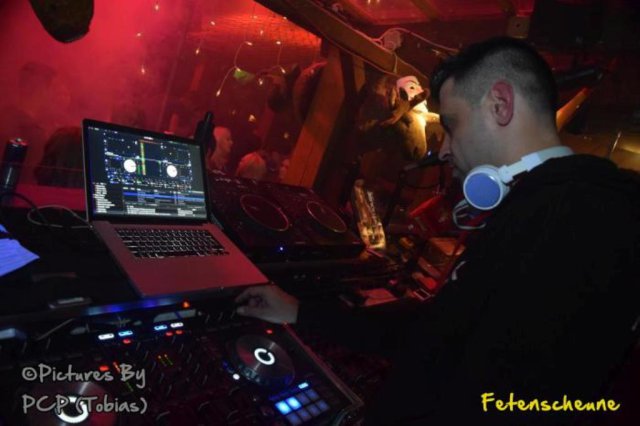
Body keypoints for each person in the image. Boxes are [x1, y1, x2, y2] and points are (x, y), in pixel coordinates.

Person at [234, 37, 640, 425]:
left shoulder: (581, 218)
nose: (444, 149)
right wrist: (299, 311)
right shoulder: (544, 206)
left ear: (500, 104)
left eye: (452, 124)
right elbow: (437, 330)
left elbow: (511, 402)